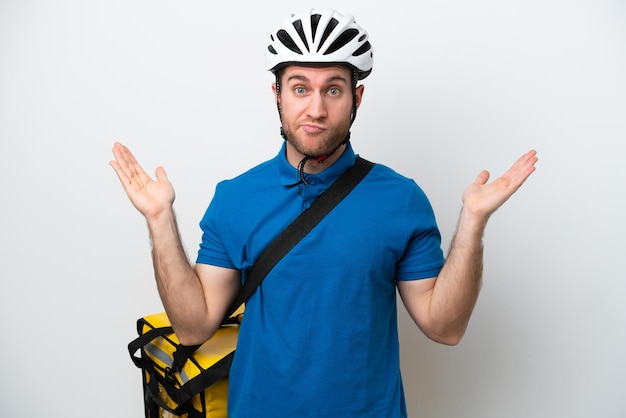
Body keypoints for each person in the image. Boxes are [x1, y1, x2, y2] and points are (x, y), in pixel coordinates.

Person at [110, 8, 537, 417]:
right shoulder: (235, 198)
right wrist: (159, 220)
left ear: (357, 97)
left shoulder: (401, 199)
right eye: (300, 88)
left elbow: (445, 327)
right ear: (276, 94)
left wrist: (473, 223)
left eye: (333, 89)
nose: (315, 109)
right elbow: (193, 326)